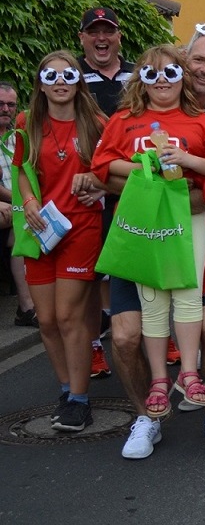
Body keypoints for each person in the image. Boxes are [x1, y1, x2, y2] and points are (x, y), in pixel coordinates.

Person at [92, 45, 205, 460]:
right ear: (139, 78)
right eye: (151, 73)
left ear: (182, 77)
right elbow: (103, 170)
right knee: (125, 337)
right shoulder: (122, 121)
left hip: (194, 236)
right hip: (140, 236)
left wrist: (187, 177)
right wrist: (150, 173)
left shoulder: (201, 121)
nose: (161, 80)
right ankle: (147, 416)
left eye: (170, 72)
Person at [13, 52, 106, 431]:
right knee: (47, 320)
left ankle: (80, 401)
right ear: (40, 83)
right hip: (41, 230)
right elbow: (21, 169)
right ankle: (67, 390)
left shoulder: (97, 123)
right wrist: (30, 199)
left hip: (82, 227)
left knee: (69, 316)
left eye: (67, 74)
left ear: (78, 80)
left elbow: (113, 170)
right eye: (50, 75)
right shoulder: (27, 122)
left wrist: (98, 185)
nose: (59, 81)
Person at [77, 6, 134, 380]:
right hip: (84, 185)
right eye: (93, 32)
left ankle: (148, 335)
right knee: (90, 273)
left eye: (108, 31)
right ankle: (95, 345)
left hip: (128, 183)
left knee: (132, 262)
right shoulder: (72, 75)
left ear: (118, 37)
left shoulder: (137, 75)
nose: (101, 38)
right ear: (81, 38)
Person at [1, 81, 37, 328]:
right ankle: (26, 307)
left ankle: (33, 304)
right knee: (20, 227)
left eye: (11, 104)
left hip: (16, 204)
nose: (6, 109)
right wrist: (16, 202)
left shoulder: (17, 138)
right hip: (9, 204)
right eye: (0, 104)